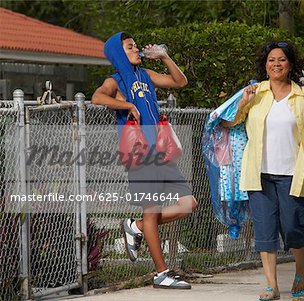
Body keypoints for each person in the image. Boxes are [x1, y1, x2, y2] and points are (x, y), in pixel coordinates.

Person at [223, 41, 304, 300]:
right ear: (265, 65)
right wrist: (243, 103)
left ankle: (300, 269)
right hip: (258, 174)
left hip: (292, 174)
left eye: (282, 60)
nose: (276, 64)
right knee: (265, 231)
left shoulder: (303, 96)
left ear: (291, 65)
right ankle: (272, 286)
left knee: (293, 228)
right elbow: (230, 123)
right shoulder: (255, 92)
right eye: (272, 60)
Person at [92, 32, 197, 289]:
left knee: (188, 204)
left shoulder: (146, 75)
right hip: (139, 152)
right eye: (130, 47)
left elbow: (179, 81)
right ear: (119, 53)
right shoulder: (115, 80)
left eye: (136, 46)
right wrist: (127, 106)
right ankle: (161, 273)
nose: (136, 49)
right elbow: (97, 97)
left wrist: (164, 56)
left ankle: (135, 226)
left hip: (160, 150)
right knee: (151, 212)